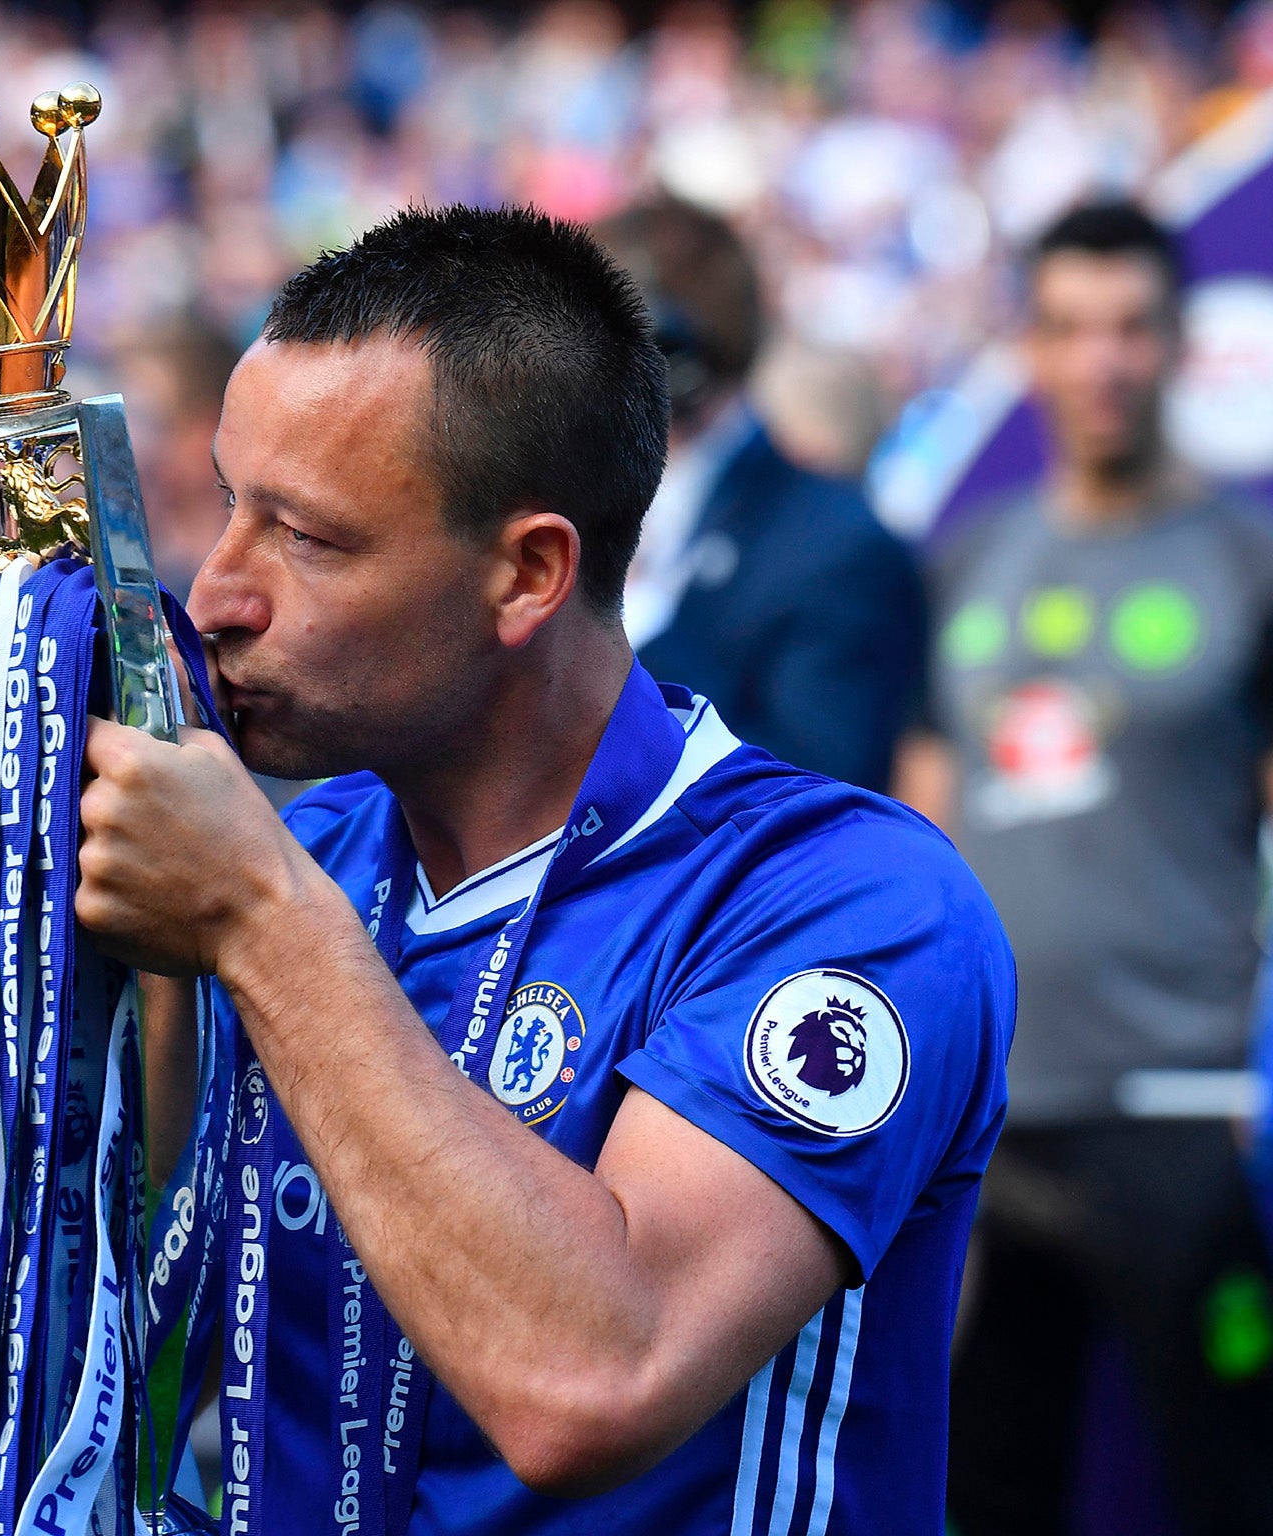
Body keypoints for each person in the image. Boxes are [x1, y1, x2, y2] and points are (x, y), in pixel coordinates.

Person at [76, 206, 1014, 1535]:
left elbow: (595, 1379)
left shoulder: (846, 904)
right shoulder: (304, 857)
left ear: (527, 574)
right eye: (231, 505)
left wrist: (257, 925)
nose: (218, 590)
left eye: (306, 536)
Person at [896, 201, 1273, 1536]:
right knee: (985, 1490)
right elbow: (921, 830)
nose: (1100, 360)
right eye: (1068, 329)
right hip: (993, 1118)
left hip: (1186, 1106)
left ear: (1179, 343)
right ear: (1031, 348)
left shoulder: (1247, 563)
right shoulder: (968, 562)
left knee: (1230, 1480)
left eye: (1129, 328)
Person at [596, 198, 924, 793]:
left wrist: (619, 646)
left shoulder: (835, 543)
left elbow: (820, 785)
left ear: (674, 352)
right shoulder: (559, 510)